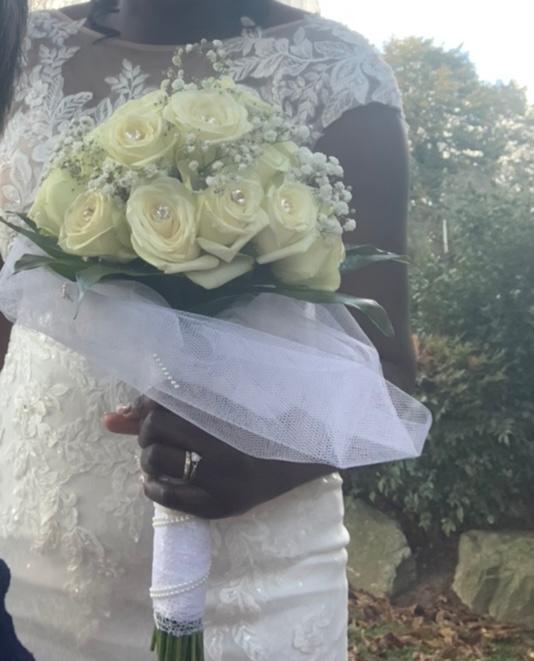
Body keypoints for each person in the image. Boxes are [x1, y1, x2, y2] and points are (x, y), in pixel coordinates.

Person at [0, 1, 415, 658]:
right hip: (26, 563)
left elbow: (388, 375)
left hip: (249, 587)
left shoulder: (339, 72)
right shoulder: (23, 46)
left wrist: (271, 453)